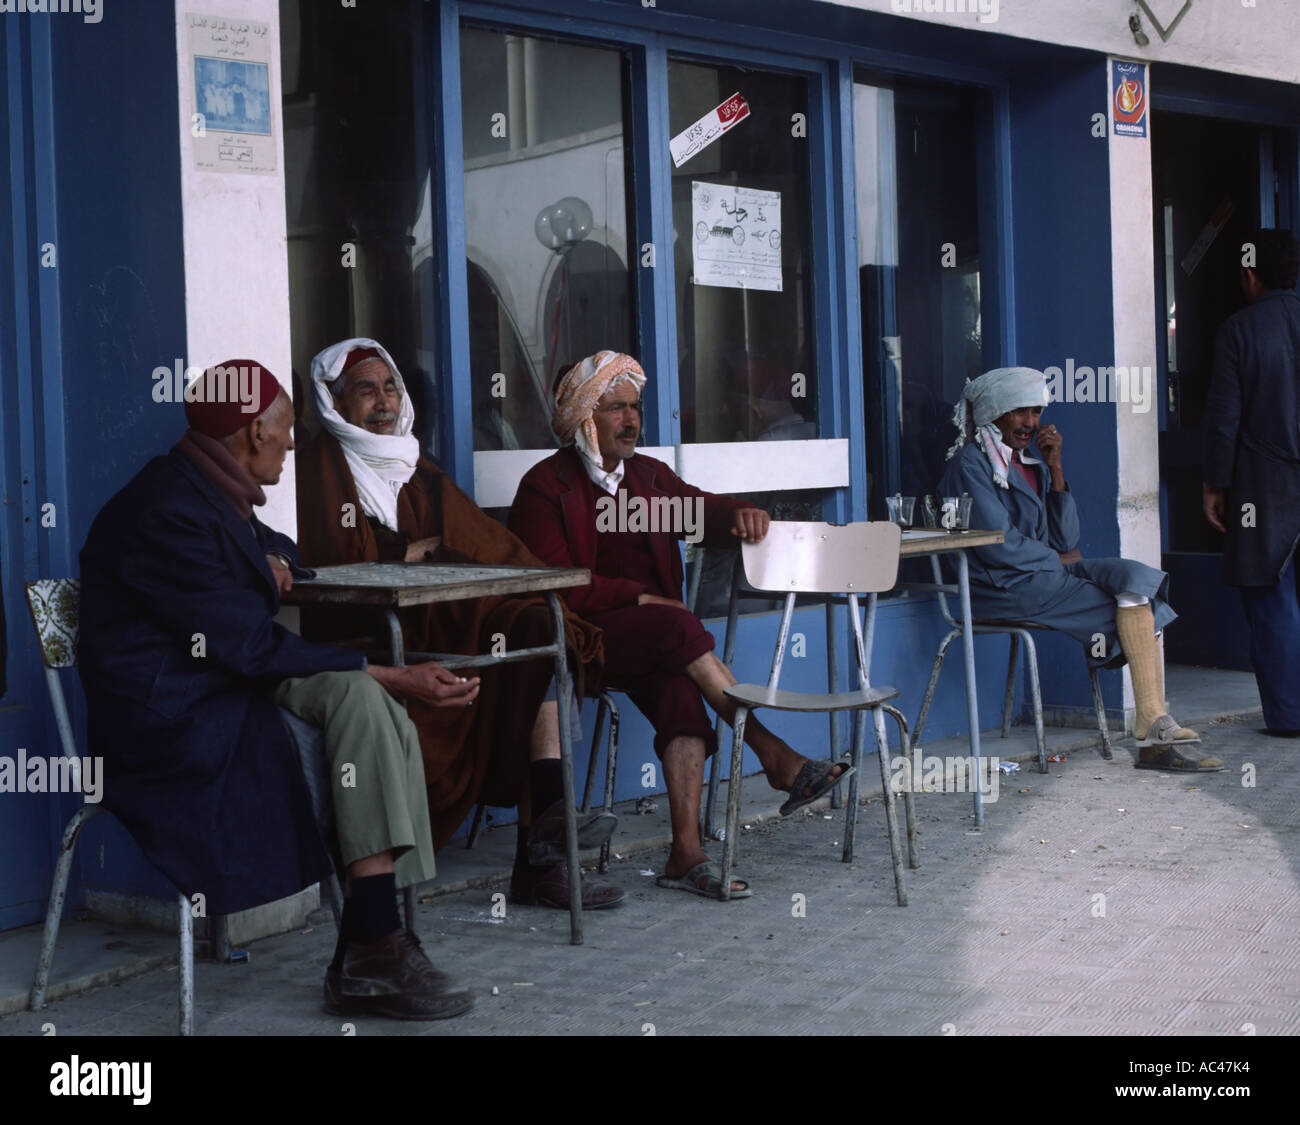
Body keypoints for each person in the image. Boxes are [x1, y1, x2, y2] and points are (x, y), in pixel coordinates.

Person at [79, 360, 476, 1019]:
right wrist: (398, 673)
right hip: (171, 725)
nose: (294, 442)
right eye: (286, 428)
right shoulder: (165, 508)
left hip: (221, 689)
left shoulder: (208, 489)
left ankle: (371, 941)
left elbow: (276, 549)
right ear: (251, 429)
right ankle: (372, 943)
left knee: (372, 708)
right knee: (358, 720)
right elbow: (246, 643)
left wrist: (279, 563)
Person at [508, 350, 854, 900]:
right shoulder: (546, 487)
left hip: (646, 638)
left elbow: (698, 510)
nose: (631, 420)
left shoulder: (646, 478)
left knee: (680, 697)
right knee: (675, 624)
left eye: (635, 407)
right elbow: (555, 581)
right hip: (580, 637)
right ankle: (773, 753)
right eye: (616, 409)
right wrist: (640, 596)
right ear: (582, 419)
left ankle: (686, 853)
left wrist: (737, 512)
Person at [295, 339, 622, 909]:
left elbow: (476, 542)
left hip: (436, 622)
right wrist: (407, 555)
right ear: (334, 403)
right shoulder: (318, 470)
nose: (383, 403)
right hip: (367, 638)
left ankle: (542, 846)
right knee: (518, 635)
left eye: (390, 387)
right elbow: (334, 567)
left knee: (537, 628)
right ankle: (537, 851)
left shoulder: (414, 467)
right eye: (365, 390)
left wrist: (438, 557)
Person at [937, 365, 1221, 771]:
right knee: (1130, 610)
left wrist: (1055, 469)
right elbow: (996, 544)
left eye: (1035, 412)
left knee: (1134, 581)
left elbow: (1065, 539)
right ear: (993, 411)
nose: (1030, 424)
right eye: (1020, 412)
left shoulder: (1027, 463)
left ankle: (1153, 724)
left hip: (1039, 575)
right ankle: (1155, 734)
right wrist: (1056, 559)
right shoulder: (972, 466)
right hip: (1000, 586)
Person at [1203, 228, 1300, 737]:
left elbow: (1223, 419)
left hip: (1264, 486)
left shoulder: (1239, 330)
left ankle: (1289, 717)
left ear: (1249, 275)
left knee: (1273, 598)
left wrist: (1216, 483)